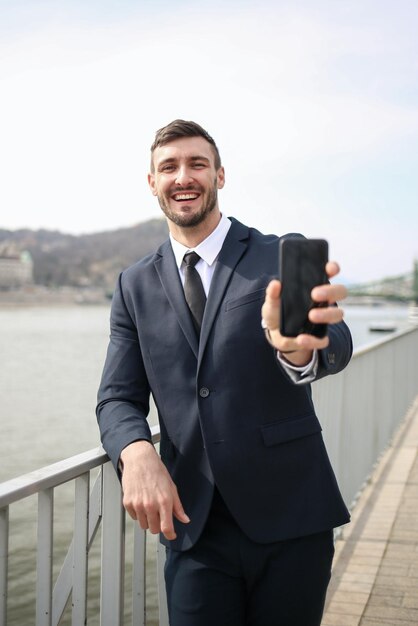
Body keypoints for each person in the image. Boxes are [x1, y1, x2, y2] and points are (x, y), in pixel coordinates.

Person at [96, 119, 353, 626]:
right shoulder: (133, 285)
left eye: (197, 163)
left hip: (292, 517)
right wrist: (135, 450)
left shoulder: (280, 253)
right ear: (153, 182)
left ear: (220, 175)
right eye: (168, 167)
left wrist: (299, 352)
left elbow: (333, 343)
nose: (183, 176)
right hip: (194, 528)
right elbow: (116, 397)